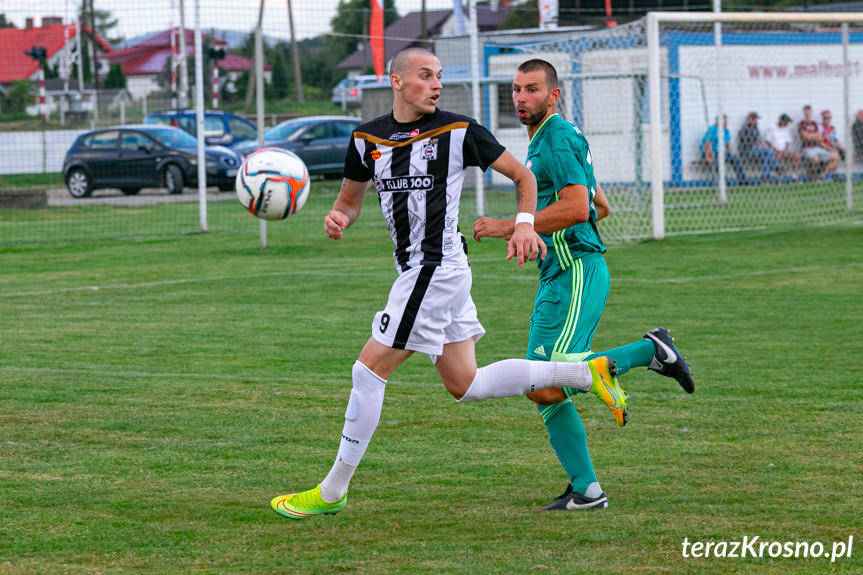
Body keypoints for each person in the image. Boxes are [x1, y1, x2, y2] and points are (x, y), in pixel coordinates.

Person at [269, 47, 630, 520]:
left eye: (439, 76)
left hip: (435, 268)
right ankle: (584, 373)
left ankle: (332, 491)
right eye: (425, 75)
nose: (436, 84)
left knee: (368, 370)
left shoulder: (458, 130)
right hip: (432, 271)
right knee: (466, 384)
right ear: (396, 81)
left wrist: (524, 223)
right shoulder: (366, 139)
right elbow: (350, 201)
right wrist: (340, 216)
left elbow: (522, 176)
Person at [473, 59, 695, 511]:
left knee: (553, 379)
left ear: (553, 95)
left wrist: (513, 225)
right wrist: (539, 231)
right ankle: (587, 490)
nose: (520, 98)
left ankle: (642, 354)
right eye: (515, 90)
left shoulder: (555, 135)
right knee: (540, 387)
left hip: (575, 271)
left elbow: (578, 209)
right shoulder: (550, 141)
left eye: (532, 89)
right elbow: (600, 205)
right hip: (556, 273)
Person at [702, 115, 747, 184]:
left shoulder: (726, 131)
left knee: (735, 159)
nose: (726, 123)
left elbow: (727, 144)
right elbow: (707, 143)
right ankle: (724, 181)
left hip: (723, 153)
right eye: (725, 122)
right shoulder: (712, 130)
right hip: (713, 152)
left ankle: (742, 180)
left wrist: (730, 154)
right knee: (717, 161)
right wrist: (707, 157)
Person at [737, 112, 780, 182]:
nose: (755, 121)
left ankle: (765, 177)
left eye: (756, 119)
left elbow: (759, 141)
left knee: (766, 155)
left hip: (757, 150)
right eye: (754, 119)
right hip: (747, 151)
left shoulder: (755, 129)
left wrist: (763, 144)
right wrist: (760, 144)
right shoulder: (744, 129)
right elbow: (748, 143)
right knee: (768, 150)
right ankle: (775, 167)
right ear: (749, 119)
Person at [799, 105, 839, 180]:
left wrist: (811, 135)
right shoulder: (802, 124)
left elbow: (820, 138)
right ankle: (813, 176)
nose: (807, 113)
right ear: (804, 113)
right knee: (815, 159)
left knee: (836, 157)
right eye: (806, 112)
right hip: (807, 148)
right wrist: (813, 135)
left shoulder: (814, 124)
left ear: (811, 113)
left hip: (817, 147)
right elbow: (805, 136)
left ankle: (822, 175)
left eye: (809, 112)